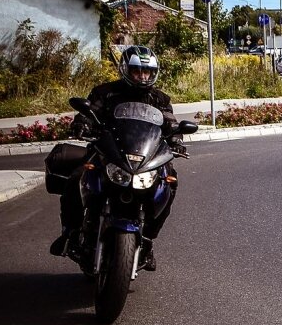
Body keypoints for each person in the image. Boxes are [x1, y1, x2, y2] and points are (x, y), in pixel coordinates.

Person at [49, 45, 186, 271]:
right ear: (125, 69)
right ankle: (70, 233)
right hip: (109, 151)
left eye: (147, 72)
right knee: (75, 178)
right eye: (137, 71)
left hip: (145, 156)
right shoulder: (105, 92)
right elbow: (89, 111)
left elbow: (170, 123)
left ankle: (149, 240)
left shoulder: (160, 99)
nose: (142, 76)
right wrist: (82, 124)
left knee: (170, 182)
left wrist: (177, 139)